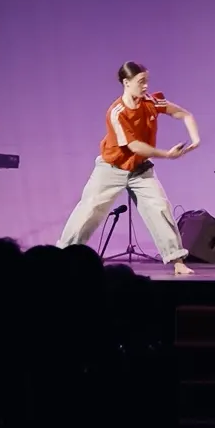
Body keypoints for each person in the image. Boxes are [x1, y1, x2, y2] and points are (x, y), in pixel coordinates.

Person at [57, 61, 200, 276]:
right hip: (111, 168)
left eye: (147, 82)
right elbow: (135, 146)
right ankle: (61, 257)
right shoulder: (117, 112)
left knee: (159, 208)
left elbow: (184, 114)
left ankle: (177, 260)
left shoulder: (150, 102)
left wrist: (195, 139)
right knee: (89, 209)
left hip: (140, 170)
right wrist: (167, 154)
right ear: (126, 83)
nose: (145, 87)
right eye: (141, 82)